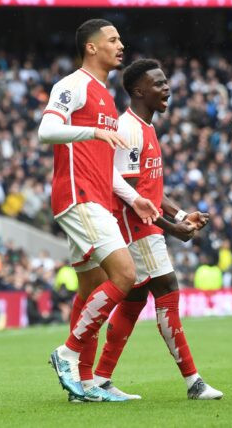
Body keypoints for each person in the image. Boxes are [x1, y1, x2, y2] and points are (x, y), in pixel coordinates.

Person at [79, 59, 223, 401]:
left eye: (166, 82)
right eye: (158, 84)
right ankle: (193, 382)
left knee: (135, 300)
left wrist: (182, 213)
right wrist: (172, 228)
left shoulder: (146, 127)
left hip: (146, 227)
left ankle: (101, 377)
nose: (166, 88)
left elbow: (152, 190)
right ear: (138, 91)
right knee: (168, 290)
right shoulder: (128, 129)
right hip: (136, 229)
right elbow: (129, 194)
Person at [38, 19, 159, 402]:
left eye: (121, 38)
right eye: (112, 40)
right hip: (79, 197)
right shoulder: (72, 85)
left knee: (90, 289)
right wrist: (90, 131)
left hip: (99, 195)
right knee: (125, 273)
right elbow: (46, 130)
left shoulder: (105, 95)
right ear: (92, 47)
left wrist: (129, 195)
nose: (120, 45)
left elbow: (103, 164)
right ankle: (67, 354)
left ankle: (85, 382)